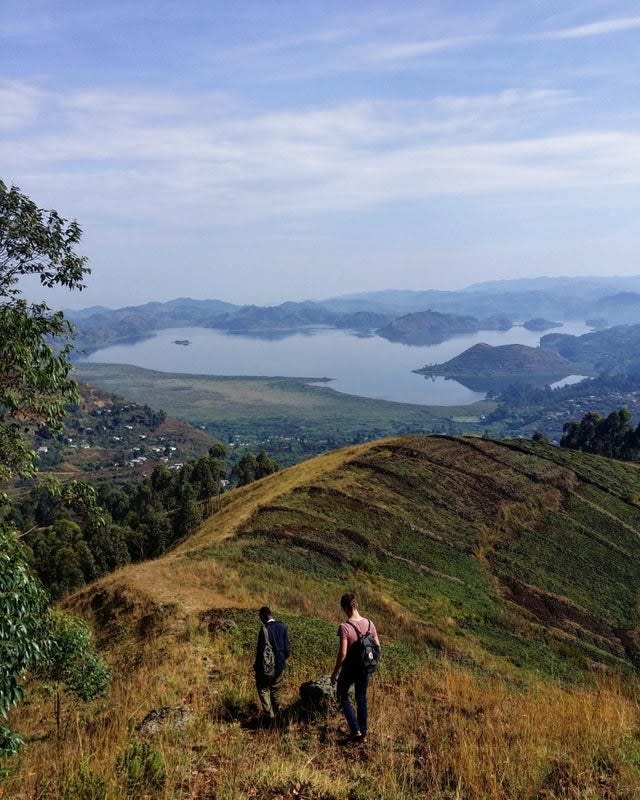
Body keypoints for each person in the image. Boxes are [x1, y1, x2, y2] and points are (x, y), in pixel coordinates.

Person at [330, 592, 381, 744]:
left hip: (350, 669)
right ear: (356, 604)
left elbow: (343, 653)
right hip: (365, 668)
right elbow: (378, 647)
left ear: (345, 607)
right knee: (361, 697)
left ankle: (355, 729)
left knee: (342, 695)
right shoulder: (370, 624)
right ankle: (363, 733)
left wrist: (335, 672)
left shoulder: (345, 627)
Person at [254, 606, 290, 721]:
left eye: (261, 617)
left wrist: (256, 666)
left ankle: (270, 716)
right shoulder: (283, 626)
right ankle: (279, 713)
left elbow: (260, 652)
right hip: (280, 665)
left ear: (263, 616)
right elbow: (287, 649)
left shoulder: (264, 629)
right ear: (271, 614)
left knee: (263, 688)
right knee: (275, 689)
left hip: (267, 666)